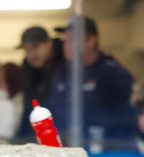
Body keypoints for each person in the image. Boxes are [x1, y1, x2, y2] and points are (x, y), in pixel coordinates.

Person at [45, 17, 135, 148]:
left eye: (72, 40)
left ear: (92, 41)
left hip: (102, 156)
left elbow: (125, 119)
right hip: (65, 153)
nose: (66, 46)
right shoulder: (62, 74)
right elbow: (53, 111)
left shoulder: (113, 74)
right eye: (65, 41)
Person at [14, 26, 64, 141]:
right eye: (27, 50)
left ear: (49, 43)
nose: (31, 55)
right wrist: (21, 140)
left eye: (35, 47)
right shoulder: (28, 72)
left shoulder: (66, 66)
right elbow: (28, 109)